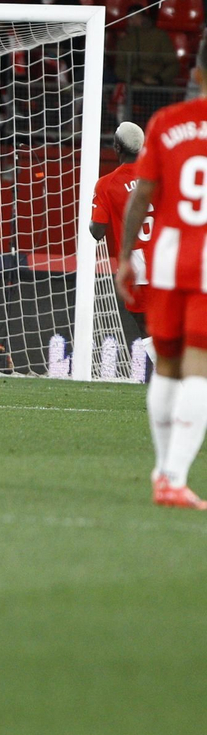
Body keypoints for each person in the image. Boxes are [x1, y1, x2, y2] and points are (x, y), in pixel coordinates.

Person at [118, 47, 207, 508]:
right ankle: (173, 476)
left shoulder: (168, 122)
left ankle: (162, 470)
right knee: (200, 368)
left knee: (168, 367)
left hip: (169, 260)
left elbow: (141, 195)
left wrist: (126, 255)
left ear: (195, 72)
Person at [91, 121, 154, 364]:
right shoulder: (160, 175)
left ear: (117, 147)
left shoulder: (107, 184)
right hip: (168, 260)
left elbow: (96, 231)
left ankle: (171, 386)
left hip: (138, 267)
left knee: (147, 329)